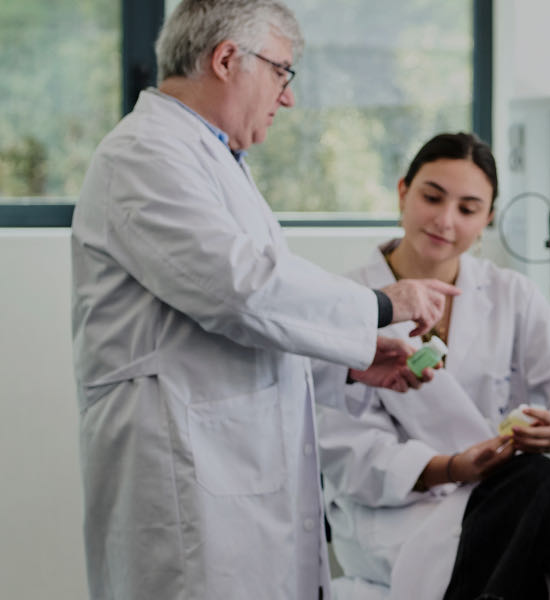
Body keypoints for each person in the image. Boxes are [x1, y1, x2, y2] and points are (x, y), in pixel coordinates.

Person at [70, 1, 458, 598]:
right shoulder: (145, 154)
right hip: (185, 489)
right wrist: (384, 305)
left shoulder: (214, 160)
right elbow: (242, 290)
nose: (288, 97)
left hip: (230, 480)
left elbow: (240, 326)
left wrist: (348, 359)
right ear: (227, 59)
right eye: (283, 72)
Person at [316, 132, 550, 600]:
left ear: (487, 219)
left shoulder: (509, 294)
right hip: (398, 514)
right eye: (432, 197)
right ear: (403, 191)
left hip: (500, 502)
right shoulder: (346, 301)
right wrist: (451, 467)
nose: (445, 220)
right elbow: (343, 448)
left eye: (467, 208)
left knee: (534, 486)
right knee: (537, 486)